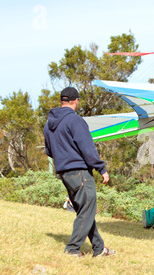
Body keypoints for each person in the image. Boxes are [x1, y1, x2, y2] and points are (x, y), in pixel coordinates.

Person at [43, 87, 115, 257]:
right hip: (79, 171)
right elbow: (87, 148)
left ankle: (99, 249)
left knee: (85, 209)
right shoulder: (75, 121)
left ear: (62, 101)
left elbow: (49, 150)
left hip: (64, 173)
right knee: (87, 209)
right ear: (76, 101)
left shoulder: (48, 124)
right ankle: (72, 249)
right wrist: (101, 169)